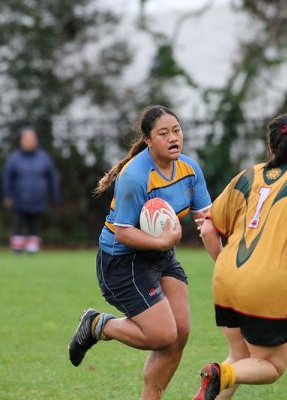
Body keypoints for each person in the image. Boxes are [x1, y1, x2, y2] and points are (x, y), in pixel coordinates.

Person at [68, 105, 212, 399]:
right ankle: (98, 324)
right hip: (122, 261)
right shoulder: (135, 176)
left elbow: (206, 220)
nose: (173, 138)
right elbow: (123, 232)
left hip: (161, 257)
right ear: (148, 139)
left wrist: (226, 260)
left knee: (180, 333)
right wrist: (161, 242)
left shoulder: (189, 169)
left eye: (177, 130)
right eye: (163, 133)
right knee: (162, 335)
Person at [193, 113, 287, 400]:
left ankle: (215, 380)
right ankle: (221, 374)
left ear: (271, 145)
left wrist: (224, 266)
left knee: (241, 356)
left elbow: (208, 230)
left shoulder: (246, 176)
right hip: (267, 284)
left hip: (225, 276)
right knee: (272, 365)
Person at [1, 126, 61, 254]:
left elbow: (52, 177)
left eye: (32, 139)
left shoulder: (44, 157)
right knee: (19, 223)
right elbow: (7, 178)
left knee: (35, 224)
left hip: (38, 199)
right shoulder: (14, 159)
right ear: (20, 141)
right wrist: (7, 195)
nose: (29, 142)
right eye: (26, 139)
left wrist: (55, 196)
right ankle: (17, 249)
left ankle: (32, 250)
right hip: (19, 200)